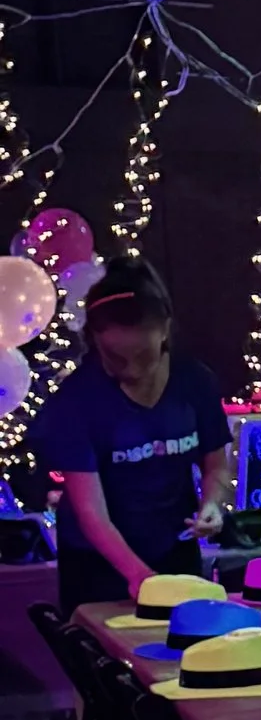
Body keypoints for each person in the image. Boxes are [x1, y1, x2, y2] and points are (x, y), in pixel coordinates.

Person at [32, 254, 235, 609]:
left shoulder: (195, 382)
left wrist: (212, 506)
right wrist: (138, 575)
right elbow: (90, 511)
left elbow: (216, 464)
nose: (132, 370)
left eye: (143, 356)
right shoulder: (77, 400)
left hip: (175, 551)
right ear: (95, 340)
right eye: (116, 358)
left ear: (165, 330)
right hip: (99, 564)